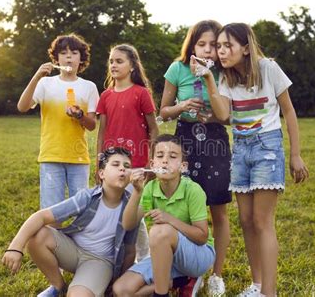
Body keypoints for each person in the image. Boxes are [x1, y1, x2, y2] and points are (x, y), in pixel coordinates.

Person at [199, 23, 309, 297]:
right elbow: (224, 115)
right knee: (246, 221)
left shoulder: (269, 68)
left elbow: (289, 112)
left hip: (267, 147)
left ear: (246, 48)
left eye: (228, 46)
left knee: (262, 221)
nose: (221, 52)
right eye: (219, 46)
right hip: (241, 149)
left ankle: (269, 293)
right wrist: (209, 80)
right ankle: (257, 285)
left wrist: (295, 154)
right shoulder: (224, 77)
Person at [1, 147, 139, 297]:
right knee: (38, 234)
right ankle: (57, 285)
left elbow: (130, 251)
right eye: (116, 164)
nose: (122, 169)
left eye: (127, 166)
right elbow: (41, 217)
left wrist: (118, 281)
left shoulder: (132, 208)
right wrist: (15, 247)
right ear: (101, 174)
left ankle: (83, 283)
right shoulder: (88, 197)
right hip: (72, 250)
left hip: (99, 261)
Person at [159, 20, 231, 295]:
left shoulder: (224, 73)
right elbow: (164, 110)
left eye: (214, 45)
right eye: (202, 44)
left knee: (218, 210)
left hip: (214, 141)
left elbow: (228, 117)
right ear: (192, 45)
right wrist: (182, 106)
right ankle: (189, 272)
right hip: (185, 142)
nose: (208, 50)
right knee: (185, 209)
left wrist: (210, 115)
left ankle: (217, 274)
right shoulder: (177, 69)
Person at [112, 134, 215, 297]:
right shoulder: (150, 188)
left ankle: (161, 294)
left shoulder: (193, 190)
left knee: (160, 231)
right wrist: (137, 192)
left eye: (173, 156)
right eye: (160, 156)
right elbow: (128, 224)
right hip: (166, 256)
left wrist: (170, 220)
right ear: (152, 164)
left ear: (183, 166)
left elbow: (202, 237)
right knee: (121, 290)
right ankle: (176, 282)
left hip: (198, 255)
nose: (165, 161)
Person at [17, 33, 99, 209]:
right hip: (51, 155)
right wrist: (36, 77)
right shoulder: (45, 83)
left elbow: (92, 125)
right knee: (51, 210)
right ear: (56, 58)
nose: (68, 56)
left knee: (81, 209)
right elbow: (22, 107)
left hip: (78, 158)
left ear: (81, 58)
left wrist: (79, 116)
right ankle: (53, 237)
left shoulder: (89, 87)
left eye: (74, 52)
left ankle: (76, 238)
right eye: (63, 52)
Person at [96, 44, 158, 261]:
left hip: (137, 164)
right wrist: (99, 164)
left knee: (133, 213)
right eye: (111, 61)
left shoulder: (141, 93)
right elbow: (102, 132)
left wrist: (152, 162)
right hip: (111, 165)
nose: (113, 65)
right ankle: (113, 258)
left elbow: (153, 128)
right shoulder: (105, 95)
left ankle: (144, 259)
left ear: (132, 66)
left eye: (119, 61)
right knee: (112, 212)